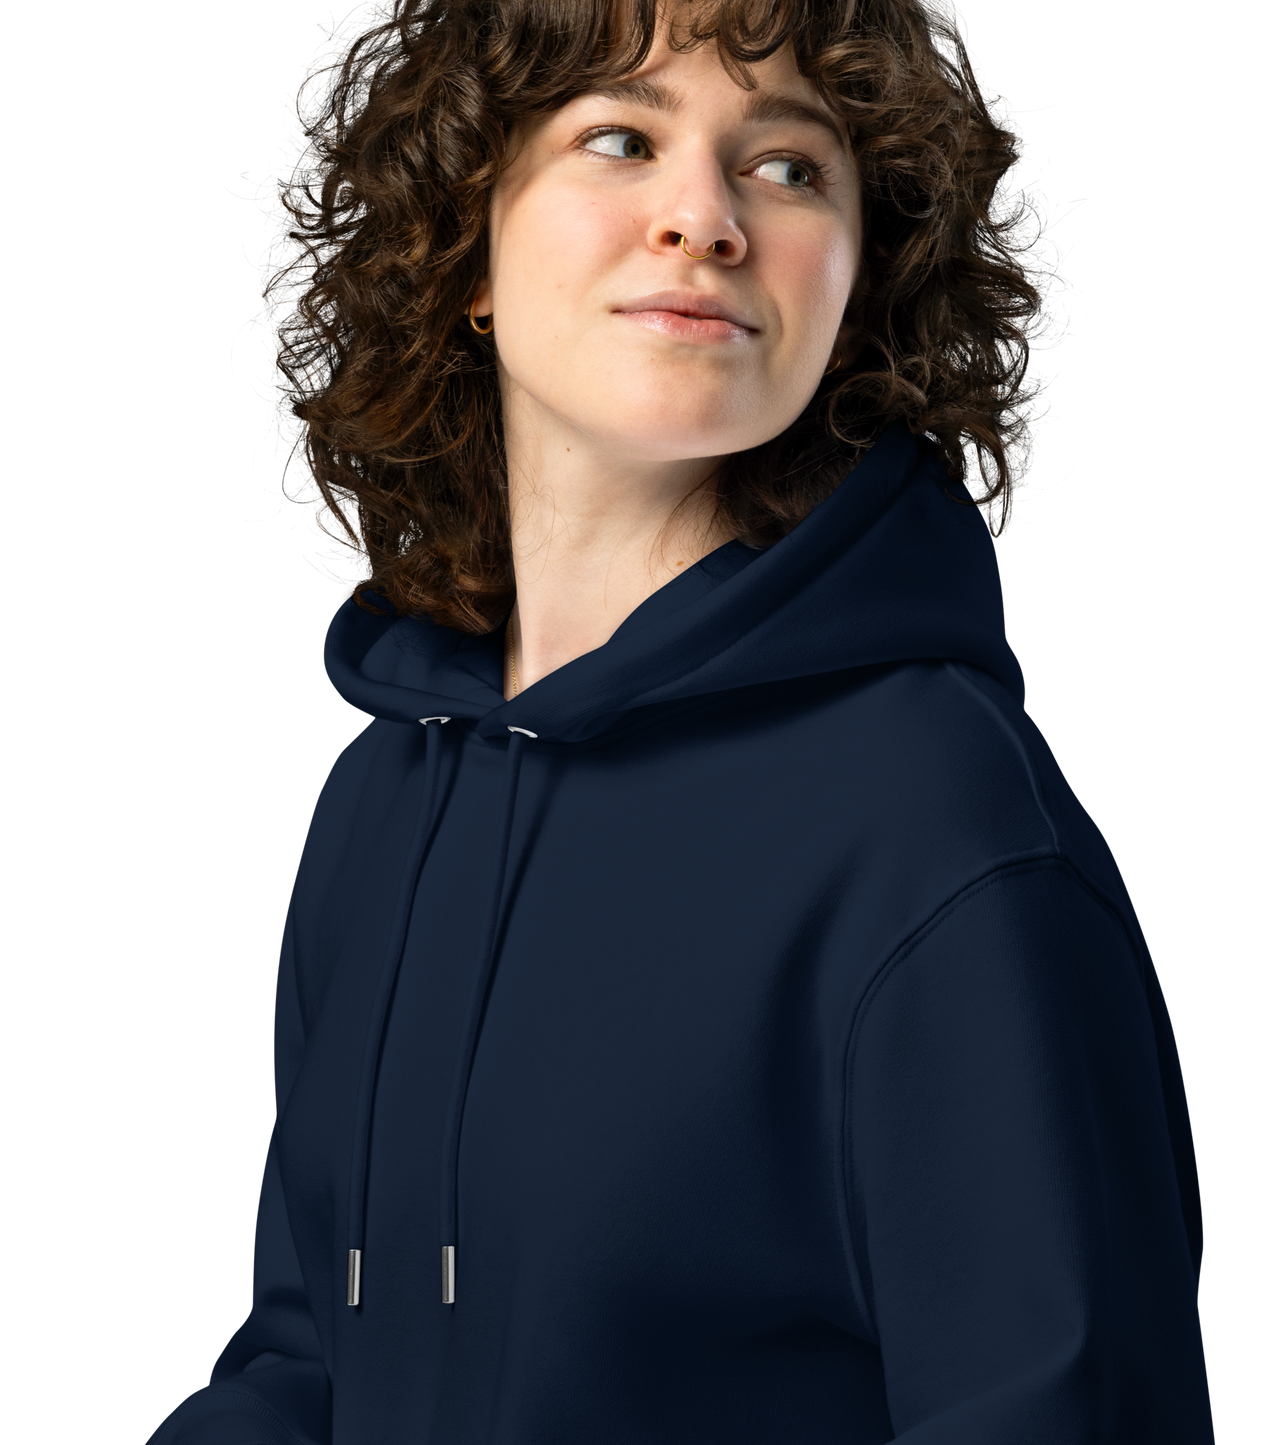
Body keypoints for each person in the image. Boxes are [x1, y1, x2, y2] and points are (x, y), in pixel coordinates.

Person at [151, 0, 1214, 1440]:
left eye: (788, 166)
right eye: (620, 138)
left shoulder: (937, 823)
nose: (705, 219)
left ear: (860, 287)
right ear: (457, 241)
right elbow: (307, 1359)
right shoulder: (381, 792)